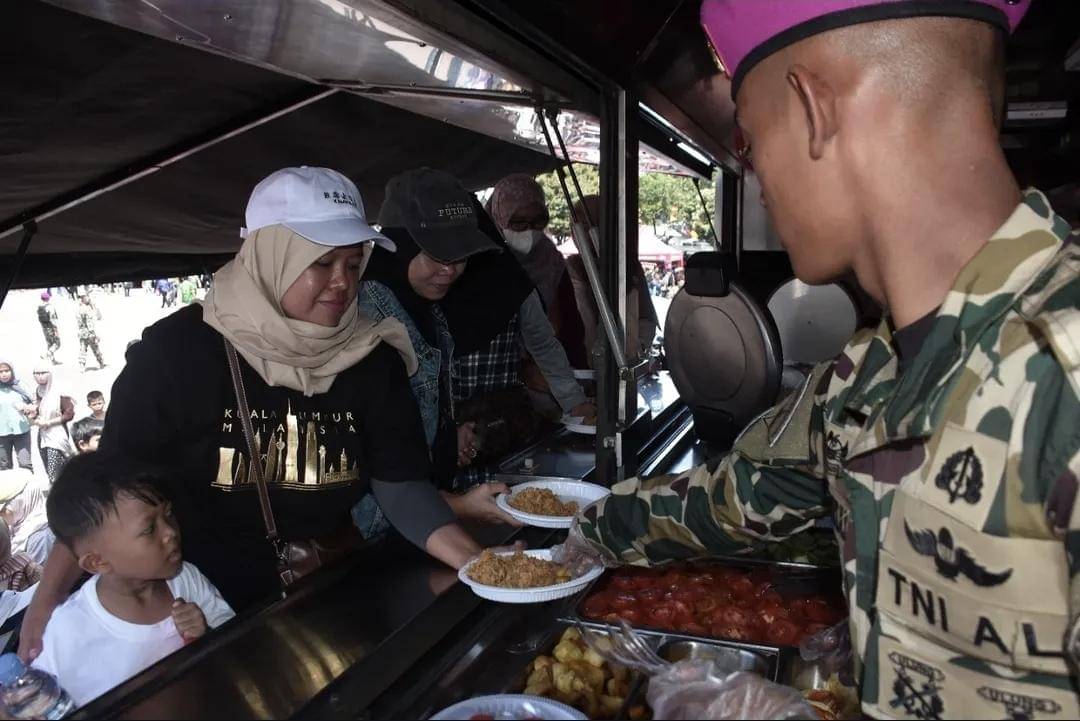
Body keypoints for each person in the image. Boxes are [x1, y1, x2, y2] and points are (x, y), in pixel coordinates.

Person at [562, 1, 1080, 717]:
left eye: (748, 137)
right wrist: (591, 528)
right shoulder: (865, 372)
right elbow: (744, 497)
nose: (754, 173)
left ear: (813, 108)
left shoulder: (1065, 370)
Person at [20, 167, 487, 663]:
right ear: (270, 258)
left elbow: (400, 483)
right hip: (207, 609)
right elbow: (102, 492)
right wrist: (44, 604)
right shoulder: (179, 353)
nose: (342, 284)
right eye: (322, 263)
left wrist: (478, 564)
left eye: (354, 264)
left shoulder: (370, 353)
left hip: (328, 589)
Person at [355, 171, 525, 533]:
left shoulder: (424, 309)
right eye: (436, 255)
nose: (449, 271)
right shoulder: (371, 322)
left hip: (422, 517)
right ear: (399, 246)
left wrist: (447, 439)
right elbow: (372, 456)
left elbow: (409, 420)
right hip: (381, 529)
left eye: (461, 257)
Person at [406, 169, 594, 488]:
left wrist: (575, 402)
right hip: (442, 442)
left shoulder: (509, 280)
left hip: (501, 431)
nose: (451, 265)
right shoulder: (420, 287)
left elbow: (544, 344)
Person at [31, 452, 235, 707]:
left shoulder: (186, 578)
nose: (171, 531)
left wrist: (206, 635)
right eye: (150, 528)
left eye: (168, 514)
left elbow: (236, 650)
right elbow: (41, 700)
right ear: (98, 562)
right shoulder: (70, 629)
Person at [487, 174, 588, 369]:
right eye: (518, 222)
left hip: (550, 376)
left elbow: (572, 327)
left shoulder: (552, 261)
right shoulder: (482, 263)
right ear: (499, 218)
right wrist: (524, 370)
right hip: (498, 378)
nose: (529, 230)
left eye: (538, 221)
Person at [566, 195, 659, 365]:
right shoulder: (570, 267)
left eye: (590, 224)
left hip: (622, 368)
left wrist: (637, 351)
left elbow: (646, 319)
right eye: (578, 225)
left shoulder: (628, 267)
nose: (583, 232)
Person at [31, 365, 74, 484]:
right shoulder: (38, 391)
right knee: (47, 463)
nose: (40, 376)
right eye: (36, 373)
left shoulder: (60, 391)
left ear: (50, 373)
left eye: (43, 372)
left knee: (56, 466)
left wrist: (49, 422)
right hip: (43, 434)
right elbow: (37, 412)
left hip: (57, 433)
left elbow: (69, 414)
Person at [0, 468, 53, 565]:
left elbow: (36, 579)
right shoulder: (18, 525)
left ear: (22, 504)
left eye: (2, 510)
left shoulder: (40, 540)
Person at [0, 361, 34, 472]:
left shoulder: (20, 386)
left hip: (22, 431)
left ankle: (29, 489)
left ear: (12, 371)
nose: (4, 374)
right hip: (1, 434)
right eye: (0, 372)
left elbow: (34, 404)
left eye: (7, 371)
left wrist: (27, 407)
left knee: (25, 464)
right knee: (4, 466)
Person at [76, 292, 105, 371]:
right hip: (89, 333)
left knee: (83, 349)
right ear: (84, 298)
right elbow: (91, 322)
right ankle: (101, 363)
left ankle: (81, 365)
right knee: (95, 348)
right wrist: (94, 334)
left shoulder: (79, 308)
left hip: (82, 332)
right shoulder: (86, 309)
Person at [36, 292, 61, 364]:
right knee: (57, 343)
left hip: (44, 328)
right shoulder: (49, 307)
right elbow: (53, 319)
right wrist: (56, 329)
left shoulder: (40, 307)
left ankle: (53, 360)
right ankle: (46, 355)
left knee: (50, 344)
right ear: (48, 298)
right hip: (51, 327)